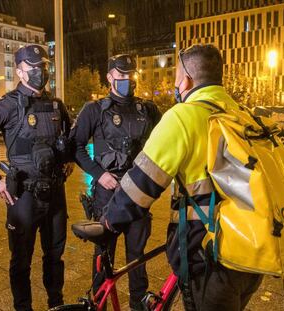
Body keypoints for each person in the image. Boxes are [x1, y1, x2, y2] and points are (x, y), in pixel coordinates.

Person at [97, 45, 263, 310]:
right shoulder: (242, 114)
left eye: (175, 75)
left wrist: (108, 221)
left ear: (185, 78)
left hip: (210, 255)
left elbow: (141, 185)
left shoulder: (183, 116)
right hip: (253, 251)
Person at [0, 45, 72, 311]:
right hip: (24, 196)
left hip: (55, 194)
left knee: (55, 256)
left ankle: (56, 303)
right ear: (20, 72)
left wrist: (67, 161)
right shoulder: (7, 106)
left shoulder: (56, 105)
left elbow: (68, 139)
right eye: (33, 68)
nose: (40, 72)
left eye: (43, 67)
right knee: (21, 260)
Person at [70, 54, 161, 310]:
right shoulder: (94, 110)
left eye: (130, 77)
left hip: (138, 193)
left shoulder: (148, 109)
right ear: (109, 77)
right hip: (106, 195)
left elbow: (164, 144)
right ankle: (99, 304)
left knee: (137, 257)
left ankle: (137, 305)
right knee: (103, 256)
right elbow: (74, 147)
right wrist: (99, 174)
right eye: (121, 77)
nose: (127, 81)